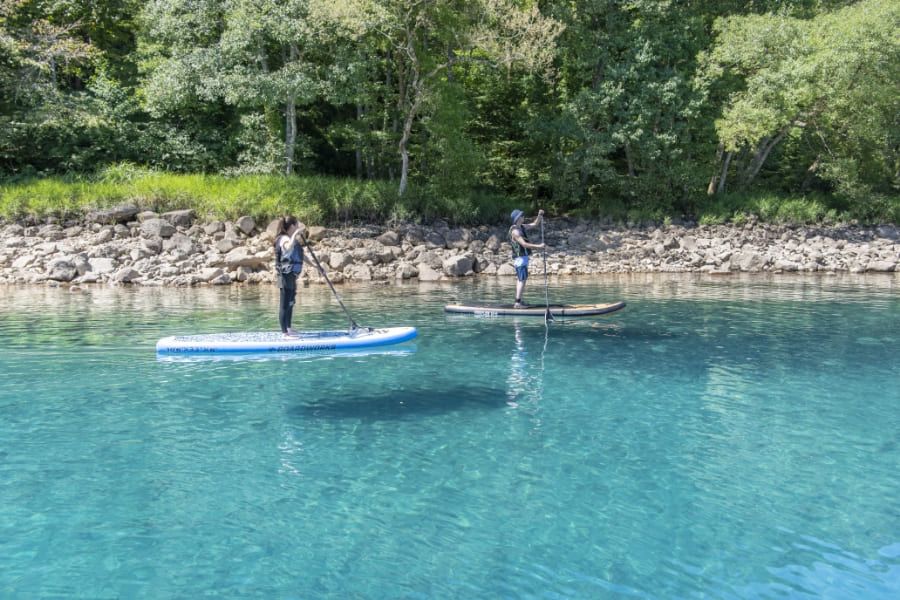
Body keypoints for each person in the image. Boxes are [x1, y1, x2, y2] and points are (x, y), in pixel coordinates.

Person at [274, 216, 305, 337]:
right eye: (297, 225)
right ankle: (284, 333)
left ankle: (289, 329)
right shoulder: (283, 239)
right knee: (285, 304)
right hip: (285, 275)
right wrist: (296, 234)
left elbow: (301, 255)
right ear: (292, 226)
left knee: (291, 302)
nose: (298, 227)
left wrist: (316, 266)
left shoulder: (291, 239)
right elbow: (288, 247)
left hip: (292, 275)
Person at [508, 208, 546, 308]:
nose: (523, 217)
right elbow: (524, 244)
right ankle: (517, 303)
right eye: (521, 216)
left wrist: (539, 215)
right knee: (522, 280)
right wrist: (539, 247)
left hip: (523, 258)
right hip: (520, 259)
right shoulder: (515, 232)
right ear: (517, 219)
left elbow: (535, 224)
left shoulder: (522, 227)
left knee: (522, 279)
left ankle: (519, 300)